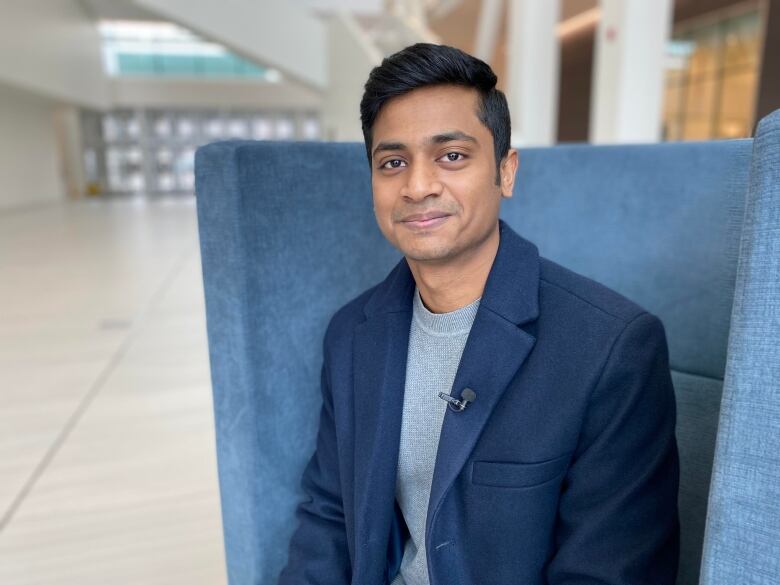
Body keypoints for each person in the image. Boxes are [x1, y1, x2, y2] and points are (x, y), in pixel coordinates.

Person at [278, 43, 679, 585]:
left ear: (505, 172)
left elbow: (609, 571)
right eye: (392, 162)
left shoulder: (611, 348)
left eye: (452, 156)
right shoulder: (352, 333)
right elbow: (329, 515)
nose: (418, 186)